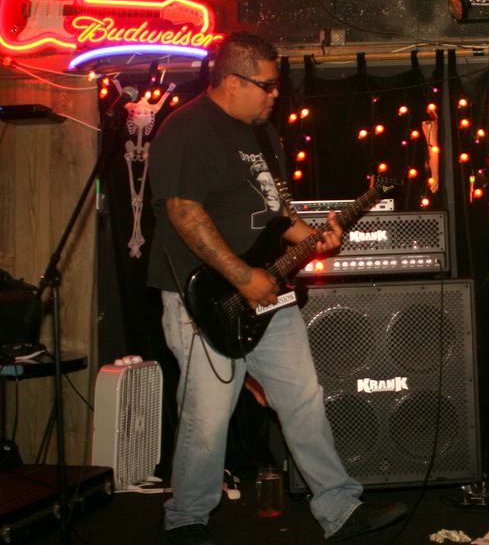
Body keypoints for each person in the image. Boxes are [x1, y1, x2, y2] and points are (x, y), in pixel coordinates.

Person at [147, 33, 407, 545]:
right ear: (232, 81)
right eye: (266, 85)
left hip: (268, 294)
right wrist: (243, 277)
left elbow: (276, 214)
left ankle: (339, 507)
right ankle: (186, 519)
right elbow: (184, 212)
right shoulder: (187, 129)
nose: (274, 95)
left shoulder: (263, 135)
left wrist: (313, 238)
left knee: (303, 397)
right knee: (208, 413)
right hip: (206, 297)